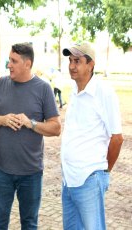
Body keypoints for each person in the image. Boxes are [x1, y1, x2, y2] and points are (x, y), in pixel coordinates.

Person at [0, 43, 61, 229]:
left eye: (14, 61)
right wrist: (2, 120)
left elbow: (56, 128)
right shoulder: (2, 83)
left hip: (31, 173)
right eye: (9, 60)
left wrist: (30, 123)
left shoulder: (43, 88)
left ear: (27, 64)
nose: (9, 65)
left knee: (29, 224)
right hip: (2, 172)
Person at [61, 41, 124, 230]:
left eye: (77, 61)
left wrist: (103, 172)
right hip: (69, 180)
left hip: (89, 179)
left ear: (91, 64)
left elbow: (117, 138)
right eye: (70, 61)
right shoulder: (74, 91)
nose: (72, 66)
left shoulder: (104, 92)